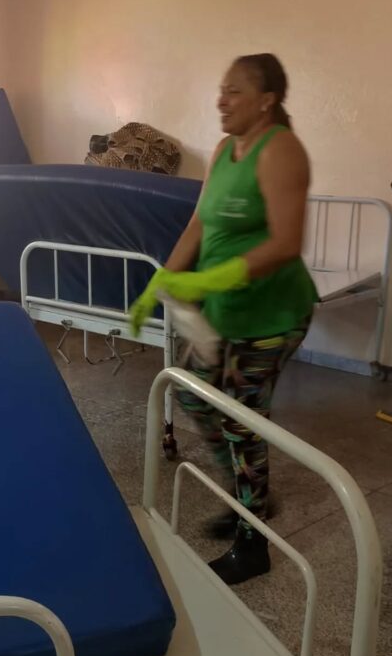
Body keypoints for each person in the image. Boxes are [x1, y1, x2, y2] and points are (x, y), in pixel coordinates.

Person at [129, 53, 318, 585]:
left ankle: (253, 542)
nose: (221, 100)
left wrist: (210, 280)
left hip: (272, 314)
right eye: (221, 89)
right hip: (226, 314)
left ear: (267, 100)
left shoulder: (280, 151)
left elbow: (286, 243)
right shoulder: (223, 150)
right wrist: (163, 281)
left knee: (241, 419)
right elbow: (198, 223)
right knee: (194, 396)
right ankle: (247, 495)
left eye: (234, 91)